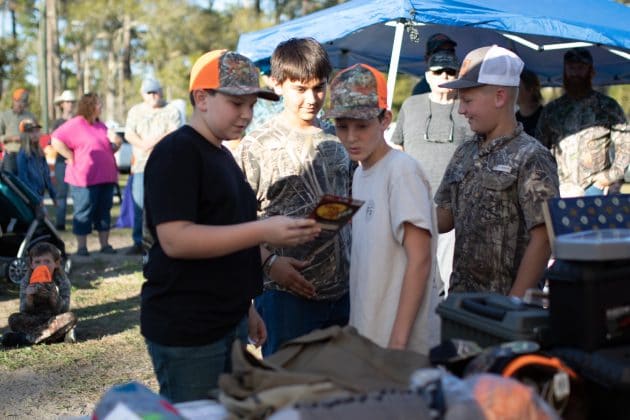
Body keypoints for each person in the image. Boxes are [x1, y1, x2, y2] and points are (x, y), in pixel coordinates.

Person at [141, 49, 321, 403]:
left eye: (252, 105)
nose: (247, 114)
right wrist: (263, 231)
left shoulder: (221, 154)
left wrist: (245, 307)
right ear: (202, 98)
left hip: (227, 317)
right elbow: (176, 239)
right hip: (190, 327)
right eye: (237, 103)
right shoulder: (177, 153)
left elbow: (228, 229)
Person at [237, 37, 352, 357]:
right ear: (277, 85)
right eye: (300, 89)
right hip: (284, 298)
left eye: (319, 88)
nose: (312, 99)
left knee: (334, 396)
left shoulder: (339, 136)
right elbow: (235, 223)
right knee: (287, 395)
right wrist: (270, 264)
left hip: (342, 296)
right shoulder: (257, 145)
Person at [325, 63, 441, 355]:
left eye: (361, 126)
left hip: (399, 347)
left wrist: (398, 343)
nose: (351, 137)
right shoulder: (360, 173)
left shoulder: (401, 171)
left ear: (385, 119)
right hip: (368, 337)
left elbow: (420, 260)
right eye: (342, 126)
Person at [434, 45, 559, 298]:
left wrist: (514, 304)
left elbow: (544, 237)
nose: (461, 110)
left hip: (503, 309)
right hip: (460, 302)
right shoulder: (464, 152)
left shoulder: (532, 157)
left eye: (467, 100)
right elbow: (443, 219)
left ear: (500, 97)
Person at [391, 50, 472, 293]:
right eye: (438, 71)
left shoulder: (466, 109)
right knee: (414, 273)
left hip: (452, 208)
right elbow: (397, 147)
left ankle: (440, 325)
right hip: (413, 203)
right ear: (427, 75)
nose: (444, 76)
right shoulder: (411, 104)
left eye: (450, 71)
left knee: (446, 277)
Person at [536, 48, 629, 197]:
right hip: (560, 190)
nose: (575, 73)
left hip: (595, 190)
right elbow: (539, 150)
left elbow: (626, 145)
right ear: (565, 71)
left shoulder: (607, 106)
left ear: (591, 71)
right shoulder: (552, 110)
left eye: (580, 68)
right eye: (571, 68)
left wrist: (610, 177)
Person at [51, 93, 121, 257]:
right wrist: (70, 156)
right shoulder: (76, 124)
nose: (101, 107)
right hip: (83, 178)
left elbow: (108, 149)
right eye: (98, 104)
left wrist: (117, 144)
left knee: (104, 211)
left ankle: (105, 245)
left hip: (106, 177)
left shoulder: (101, 126)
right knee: (83, 211)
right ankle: (82, 247)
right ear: (89, 106)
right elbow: (55, 139)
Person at [124, 78, 183, 255]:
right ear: (143, 94)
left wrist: (152, 142)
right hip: (141, 166)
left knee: (164, 204)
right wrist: (143, 145)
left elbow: (174, 132)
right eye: (149, 93)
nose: (153, 96)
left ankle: (162, 240)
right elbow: (129, 133)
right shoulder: (135, 111)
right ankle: (138, 241)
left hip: (166, 165)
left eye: (155, 91)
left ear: (161, 91)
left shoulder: (171, 110)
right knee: (139, 205)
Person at [3, 242, 76, 346]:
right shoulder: (26, 281)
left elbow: (64, 310)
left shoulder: (62, 281)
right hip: (35, 319)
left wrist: (54, 297)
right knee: (13, 319)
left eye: (47, 261)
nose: (42, 265)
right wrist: (29, 298)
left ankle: (26, 339)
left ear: (56, 263)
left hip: (53, 319)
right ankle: (56, 336)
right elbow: (24, 311)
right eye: (37, 262)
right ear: (31, 264)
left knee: (70, 317)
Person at [51, 90, 77, 231]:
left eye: (72, 102)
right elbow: (54, 141)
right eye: (67, 102)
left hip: (77, 162)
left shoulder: (79, 121)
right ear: (62, 104)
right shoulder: (58, 123)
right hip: (61, 162)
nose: (70, 105)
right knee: (61, 193)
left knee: (77, 193)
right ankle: (60, 223)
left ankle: (79, 224)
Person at [16, 119, 56, 206]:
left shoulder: (40, 153)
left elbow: (46, 175)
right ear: (25, 134)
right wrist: (35, 198)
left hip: (39, 196)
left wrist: (53, 195)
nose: (35, 134)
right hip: (31, 198)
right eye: (31, 132)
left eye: (37, 131)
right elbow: (23, 180)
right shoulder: (23, 154)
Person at [0, 88, 38, 174]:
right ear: (13, 100)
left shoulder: (31, 116)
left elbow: (37, 134)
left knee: (26, 183)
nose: (19, 104)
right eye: (17, 101)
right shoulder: (4, 115)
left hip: (28, 154)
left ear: (26, 103)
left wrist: (32, 137)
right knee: (10, 181)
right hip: (10, 154)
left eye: (23, 102)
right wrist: (11, 139)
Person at [516, 69, 544, 137]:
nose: (513, 92)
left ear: (530, 89)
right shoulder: (514, 119)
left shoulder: (545, 116)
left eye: (517, 87)